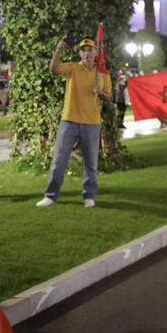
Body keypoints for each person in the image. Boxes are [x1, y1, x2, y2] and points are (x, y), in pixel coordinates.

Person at [36, 37, 111, 208]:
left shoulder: (103, 74)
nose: (86, 53)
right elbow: (53, 69)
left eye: (90, 49)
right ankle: (51, 195)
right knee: (59, 161)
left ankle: (89, 196)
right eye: (83, 50)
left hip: (92, 123)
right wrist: (58, 51)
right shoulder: (72, 68)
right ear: (79, 53)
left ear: (96, 52)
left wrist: (101, 93)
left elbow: (109, 96)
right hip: (69, 121)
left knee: (91, 163)